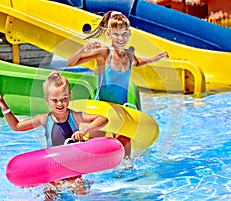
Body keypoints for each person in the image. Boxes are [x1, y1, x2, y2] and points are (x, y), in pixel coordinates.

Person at [67, 10, 168, 157]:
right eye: (116, 34)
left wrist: (154, 59)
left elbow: (138, 62)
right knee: (95, 153)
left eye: (124, 33)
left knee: (125, 153)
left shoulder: (129, 55)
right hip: (101, 109)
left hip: (122, 109)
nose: (120, 38)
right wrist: (84, 48)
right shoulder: (104, 53)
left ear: (129, 34)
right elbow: (71, 62)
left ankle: (124, 177)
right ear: (109, 34)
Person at [0, 72, 108, 199]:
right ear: (47, 100)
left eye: (64, 99)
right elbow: (16, 126)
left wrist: (84, 131)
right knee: (49, 195)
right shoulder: (44, 119)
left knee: (81, 191)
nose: (60, 104)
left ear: (70, 97)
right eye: (55, 100)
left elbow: (103, 119)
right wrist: (3, 105)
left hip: (73, 170)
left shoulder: (75, 116)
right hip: (52, 173)